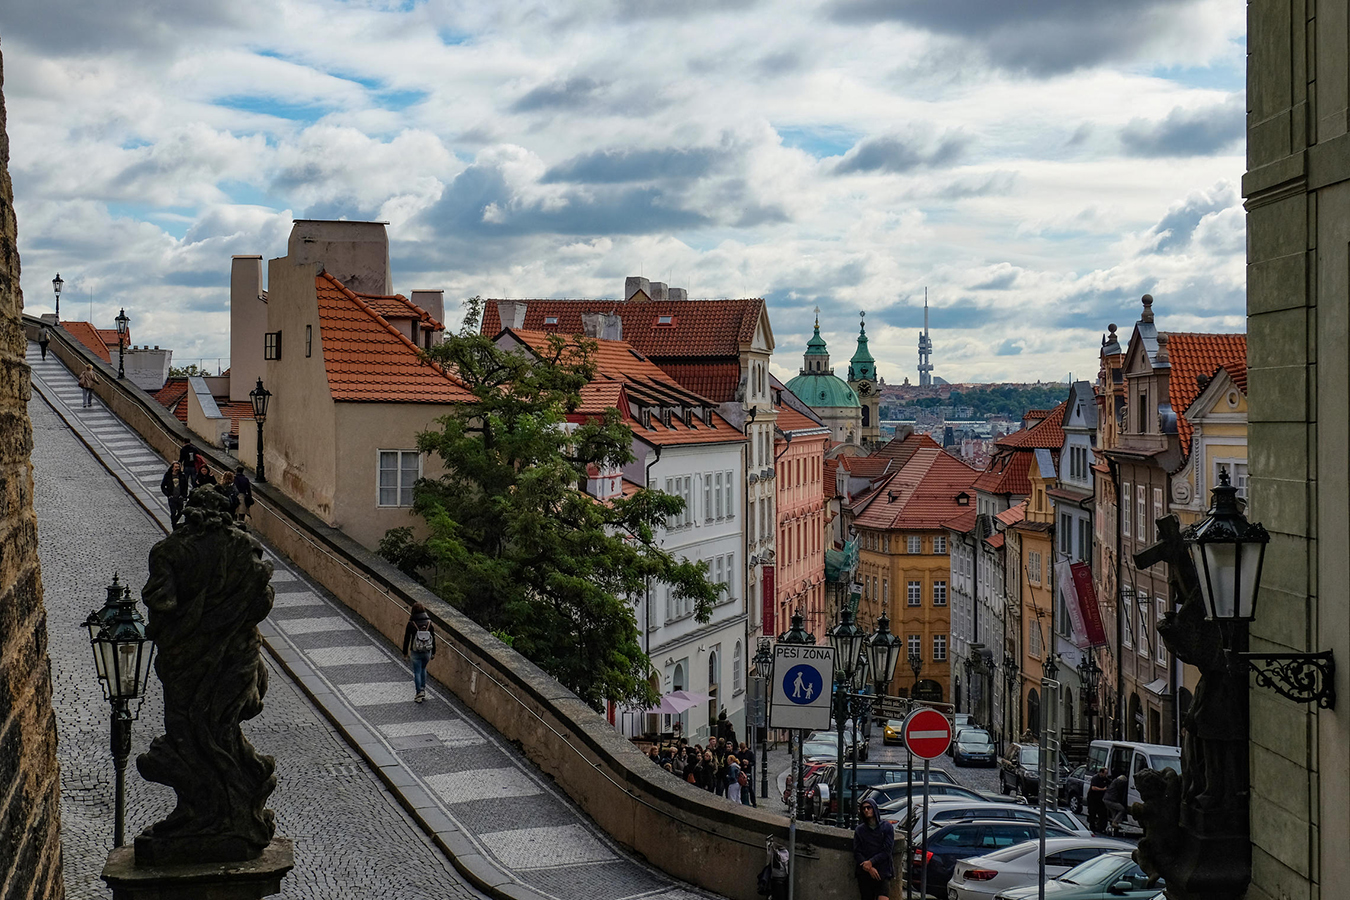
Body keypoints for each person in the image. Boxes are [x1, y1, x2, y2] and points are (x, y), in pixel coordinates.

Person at [853, 798, 894, 900]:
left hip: (883, 869)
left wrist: (872, 862)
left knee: (883, 896)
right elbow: (857, 851)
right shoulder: (860, 830)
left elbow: (887, 850)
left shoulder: (886, 827)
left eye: (869, 807)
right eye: (864, 809)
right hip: (865, 871)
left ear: (874, 809)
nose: (866, 810)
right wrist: (867, 866)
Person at [400, 602, 437, 703]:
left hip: (416, 650)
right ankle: (423, 690)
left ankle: (418, 693)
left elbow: (407, 638)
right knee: (423, 669)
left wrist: (405, 653)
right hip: (427, 651)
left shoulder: (411, 623)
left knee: (417, 672)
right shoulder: (429, 623)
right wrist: (433, 652)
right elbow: (433, 638)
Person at [160, 461, 191, 529]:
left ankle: (174, 522)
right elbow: (163, 486)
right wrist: (168, 494)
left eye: (178, 467)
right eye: (176, 467)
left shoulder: (182, 475)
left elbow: (185, 486)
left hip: (180, 497)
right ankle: (174, 526)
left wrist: (184, 495)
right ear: (172, 468)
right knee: (173, 512)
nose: (177, 468)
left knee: (180, 512)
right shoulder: (168, 475)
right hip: (172, 497)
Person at [1103, 771, 1130, 836]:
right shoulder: (1120, 783)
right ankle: (1114, 823)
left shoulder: (1114, 781)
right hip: (1111, 800)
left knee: (1114, 813)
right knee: (1121, 809)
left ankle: (1114, 829)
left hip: (1105, 799)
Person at [1087, 766, 1112, 833]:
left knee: (1103, 814)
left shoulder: (1105, 779)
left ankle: (1101, 827)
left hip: (1101, 799)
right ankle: (1092, 828)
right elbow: (1093, 788)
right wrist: (1102, 789)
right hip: (1093, 799)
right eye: (1105, 773)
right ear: (1101, 772)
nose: (1105, 775)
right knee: (1092, 813)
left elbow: (1111, 783)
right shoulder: (1095, 778)